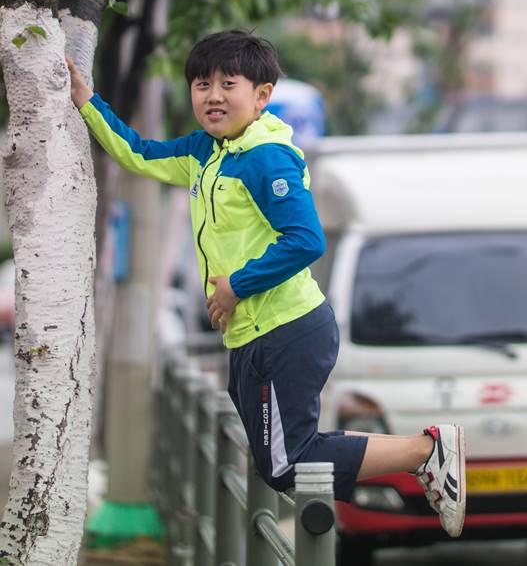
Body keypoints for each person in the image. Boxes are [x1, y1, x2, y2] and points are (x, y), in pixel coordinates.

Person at [66, 29, 466, 538]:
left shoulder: (266, 157)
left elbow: (306, 239)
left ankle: (425, 451)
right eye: (201, 84)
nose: (212, 96)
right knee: (280, 458)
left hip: (286, 328)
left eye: (227, 84)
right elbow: (138, 153)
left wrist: (236, 286)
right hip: (250, 335)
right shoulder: (205, 152)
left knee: (285, 465)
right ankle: (425, 452)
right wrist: (86, 101)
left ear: (261, 95)